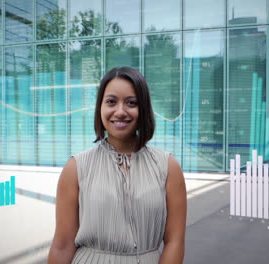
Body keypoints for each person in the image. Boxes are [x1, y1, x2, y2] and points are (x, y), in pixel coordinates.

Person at [48, 67, 187, 264]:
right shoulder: (76, 167)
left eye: (131, 103)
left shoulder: (168, 166)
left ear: (144, 109)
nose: (120, 111)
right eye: (111, 102)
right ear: (101, 108)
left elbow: (175, 242)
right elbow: (62, 245)